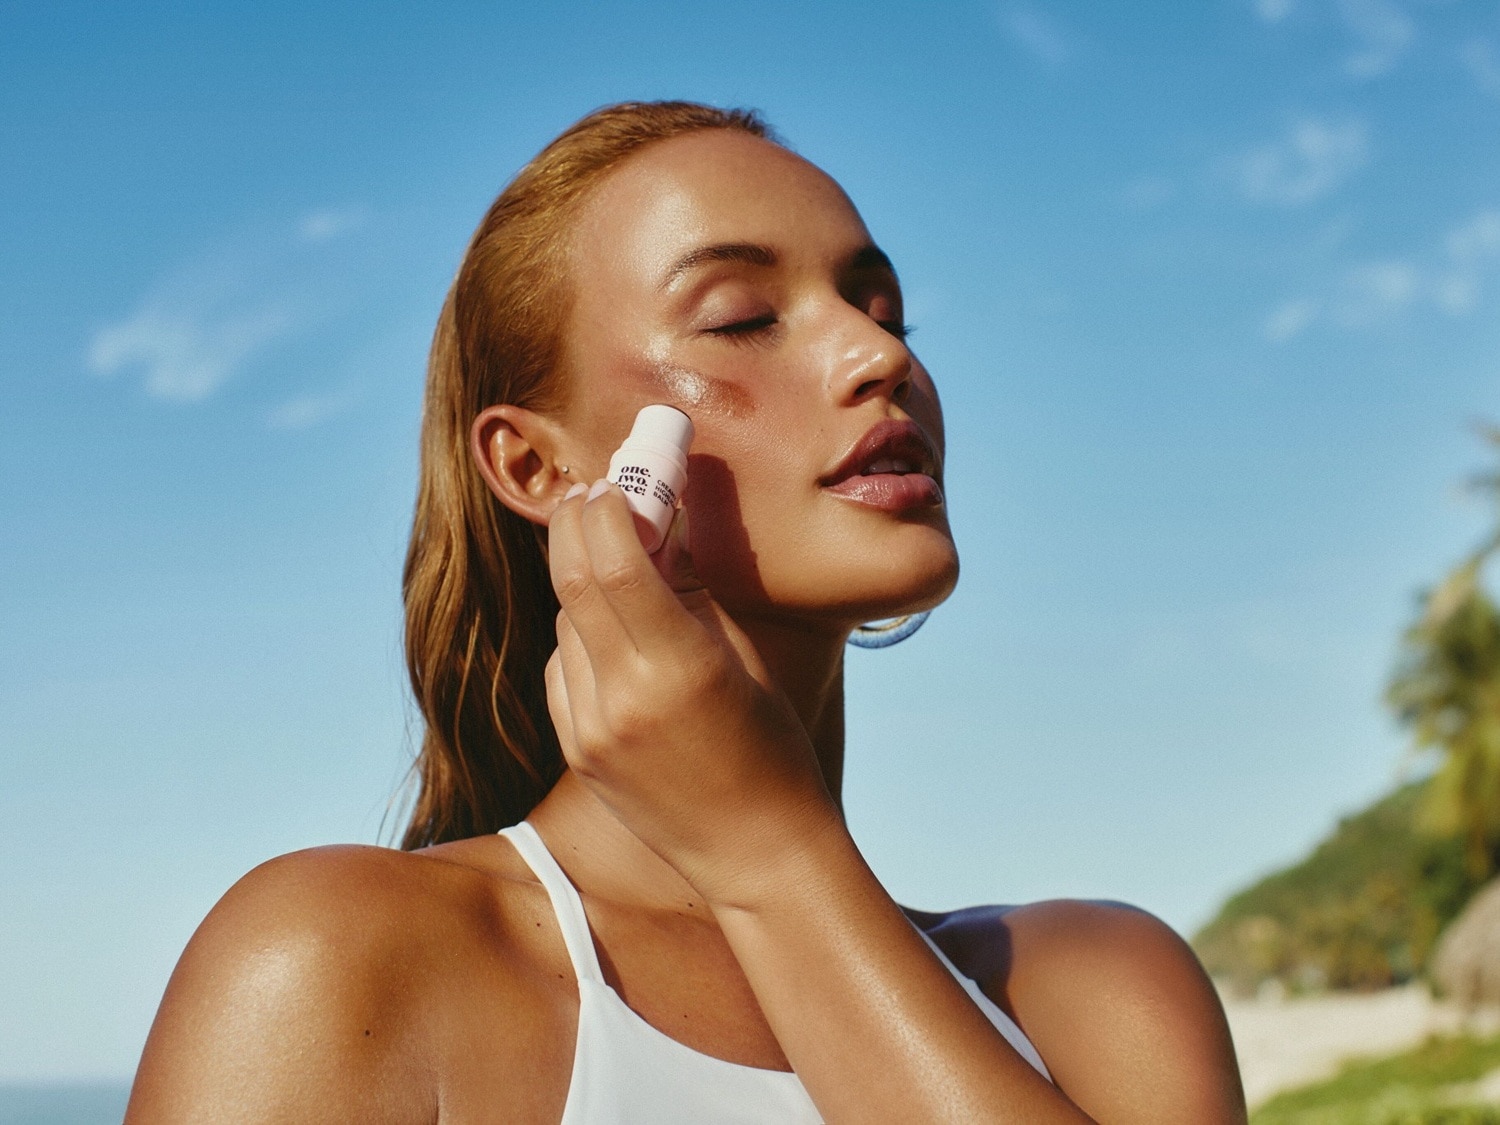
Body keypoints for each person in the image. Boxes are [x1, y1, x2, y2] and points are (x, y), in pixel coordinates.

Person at [126, 101, 1247, 1123]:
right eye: (744, 317)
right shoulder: (334, 964)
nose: (881, 354)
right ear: (534, 464)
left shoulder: (1094, 984)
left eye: (879, 305)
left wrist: (772, 858)